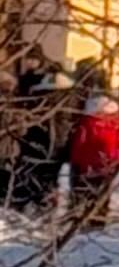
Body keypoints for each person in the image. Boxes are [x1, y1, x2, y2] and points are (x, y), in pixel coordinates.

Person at [62, 63, 119, 228]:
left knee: (82, 191)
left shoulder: (87, 120)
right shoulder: (115, 120)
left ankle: (81, 218)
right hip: (107, 163)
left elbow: (80, 142)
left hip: (86, 164)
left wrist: (73, 159)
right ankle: (99, 218)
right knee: (103, 192)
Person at [4, 55, 68, 212]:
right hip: (48, 144)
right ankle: (42, 204)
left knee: (36, 174)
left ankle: (37, 204)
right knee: (42, 176)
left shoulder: (41, 97)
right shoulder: (62, 100)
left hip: (41, 142)